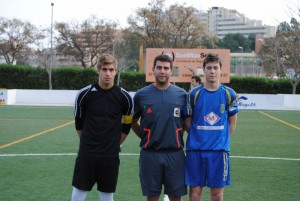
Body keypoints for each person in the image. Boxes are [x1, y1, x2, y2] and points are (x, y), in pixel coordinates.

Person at [71, 54, 133, 201]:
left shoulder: (125, 97)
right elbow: (79, 125)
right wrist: (89, 142)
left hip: (110, 155)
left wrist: (114, 144)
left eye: (111, 70)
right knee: (78, 194)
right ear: (98, 70)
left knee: (107, 196)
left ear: (116, 71)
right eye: (104, 69)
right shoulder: (83, 94)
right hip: (87, 154)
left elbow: (127, 126)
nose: (108, 74)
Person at [131, 54, 188, 201]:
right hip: (150, 155)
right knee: (152, 197)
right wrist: (145, 136)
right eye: (159, 68)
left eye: (166, 68)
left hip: (175, 155)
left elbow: (187, 123)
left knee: (176, 197)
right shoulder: (141, 95)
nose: (162, 71)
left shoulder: (182, 95)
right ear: (153, 69)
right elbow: (132, 121)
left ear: (171, 71)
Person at [185, 53, 239, 201]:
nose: (212, 71)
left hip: (219, 152)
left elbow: (232, 123)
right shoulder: (193, 94)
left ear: (221, 70)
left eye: (216, 68)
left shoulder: (229, 94)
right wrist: (199, 137)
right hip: (196, 151)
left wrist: (220, 141)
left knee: (217, 194)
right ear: (203, 70)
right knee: (195, 193)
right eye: (209, 68)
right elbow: (187, 122)